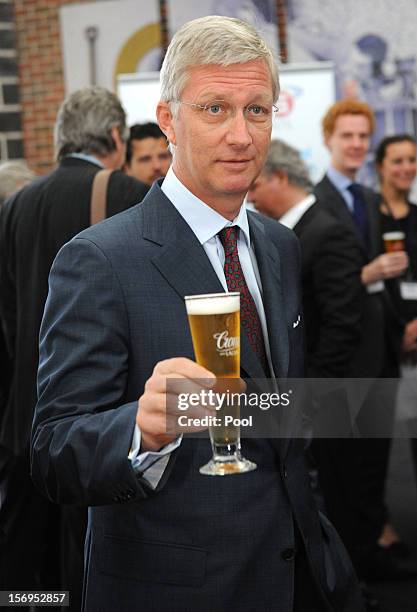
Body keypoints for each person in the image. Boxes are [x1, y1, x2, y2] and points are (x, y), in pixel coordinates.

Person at [31, 17, 364, 612]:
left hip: (298, 571)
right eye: (215, 109)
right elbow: (54, 451)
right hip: (178, 588)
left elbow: (274, 406)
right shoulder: (100, 259)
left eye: (257, 110)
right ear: (168, 120)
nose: (241, 135)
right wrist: (140, 428)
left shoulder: (278, 245)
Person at [0, 87, 148, 608]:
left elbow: (8, 315)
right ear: (115, 137)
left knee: (25, 568)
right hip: (97, 421)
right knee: (86, 559)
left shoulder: (15, 204)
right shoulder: (131, 195)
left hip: (24, 419)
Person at [314, 99, 415, 581]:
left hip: (378, 352)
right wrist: (366, 273)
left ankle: (372, 548)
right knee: (343, 467)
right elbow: (319, 286)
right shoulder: (317, 203)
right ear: (328, 140)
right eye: (346, 136)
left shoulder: (366, 197)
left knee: (374, 460)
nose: (355, 144)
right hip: (339, 359)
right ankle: (349, 565)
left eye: (362, 137)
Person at [248, 139, 363, 378]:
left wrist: (313, 392)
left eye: (254, 186)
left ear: (280, 177)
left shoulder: (329, 233)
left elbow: (341, 323)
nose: (249, 198)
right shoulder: (280, 234)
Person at [375, 134, 417, 502]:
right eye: (398, 161)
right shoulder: (370, 217)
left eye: (411, 160)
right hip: (382, 341)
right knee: (377, 444)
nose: (406, 168)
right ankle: (383, 525)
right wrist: (398, 328)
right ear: (381, 167)